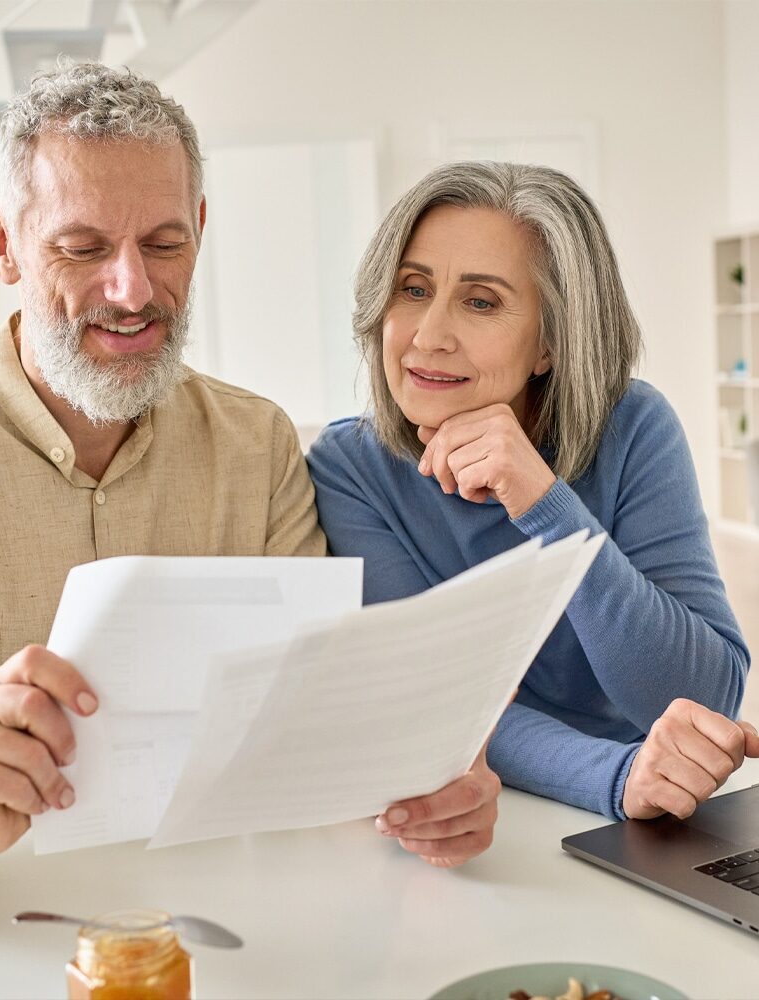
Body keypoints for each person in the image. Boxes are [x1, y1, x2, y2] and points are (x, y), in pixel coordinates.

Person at [0, 64, 495, 908]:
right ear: (1, 243)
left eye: (165, 243)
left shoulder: (257, 445)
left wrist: (428, 779)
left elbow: (317, 715)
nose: (134, 290)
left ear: (202, 228)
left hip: (237, 923)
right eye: (82, 248)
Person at [308, 161, 757, 827]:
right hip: (479, 812)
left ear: (550, 341)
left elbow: (701, 695)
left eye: (481, 301)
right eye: (412, 289)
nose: (428, 335)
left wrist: (547, 506)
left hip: (646, 818)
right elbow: (436, 700)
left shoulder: (634, 427)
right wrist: (614, 776)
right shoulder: (349, 467)